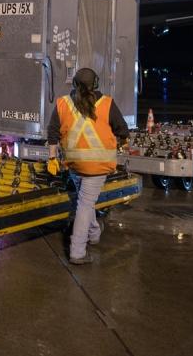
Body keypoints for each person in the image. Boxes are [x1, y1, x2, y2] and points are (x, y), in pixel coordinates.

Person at [47, 68, 129, 265]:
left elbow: (52, 132)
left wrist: (51, 158)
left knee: (85, 200)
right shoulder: (106, 103)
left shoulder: (63, 103)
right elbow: (122, 129)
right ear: (96, 84)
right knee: (84, 204)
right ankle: (77, 252)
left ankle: (94, 233)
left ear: (74, 84)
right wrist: (123, 141)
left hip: (74, 164)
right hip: (97, 166)